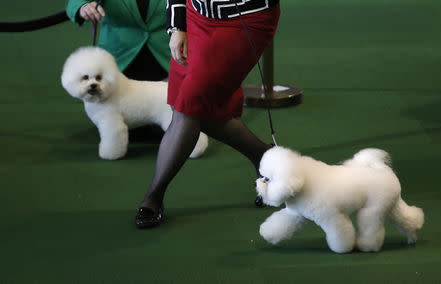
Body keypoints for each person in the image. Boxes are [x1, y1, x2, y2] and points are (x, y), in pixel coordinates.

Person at [135, 0, 281, 228]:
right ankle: (266, 158)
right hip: (196, 15)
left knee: (189, 106)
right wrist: (177, 25)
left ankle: (154, 195)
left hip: (244, 19)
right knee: (190, 106)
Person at [66, 0, 171, 81]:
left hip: (169, 55)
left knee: (173, 108)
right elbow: (75, 2)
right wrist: (84, 7)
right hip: (118, 59)